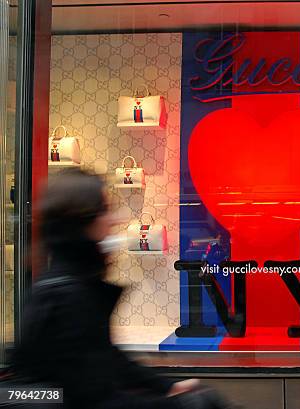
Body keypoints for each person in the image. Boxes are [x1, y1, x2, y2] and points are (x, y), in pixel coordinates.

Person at [10, 169, 236, 409]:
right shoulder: (68, 295)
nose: (113, 219)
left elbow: (105, 358)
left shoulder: (70, 281)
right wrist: (180, 404)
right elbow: (91, 397)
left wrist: (167, 387)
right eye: (105, 210)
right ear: (83, 219)